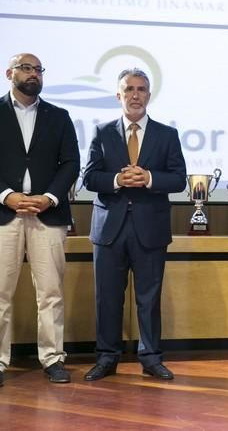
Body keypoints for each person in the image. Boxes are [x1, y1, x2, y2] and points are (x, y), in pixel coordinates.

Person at [83, 68, 186, 381]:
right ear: (119, 95)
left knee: (149, 299)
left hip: (150, 229)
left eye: (141, 89)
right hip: (109, 229)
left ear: (149, 96)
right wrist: (116, 179)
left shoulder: (167, 135)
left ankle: (151, 357)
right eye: (129, 89)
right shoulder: (102, 132)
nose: (135, 95)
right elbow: (89, 177)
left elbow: (179, 179)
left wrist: (149, 178)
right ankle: (107, 358)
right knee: (107, 298)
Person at [0, 53, 80, 386]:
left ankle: (52, 358)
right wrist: (7, 195)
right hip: (5, 214)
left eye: (38, 70)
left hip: (48, 215)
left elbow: (70, 163)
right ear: (10, 73)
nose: (33, 74)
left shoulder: (59, 116)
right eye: (26, 68)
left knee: (50, 292)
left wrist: (48, 198)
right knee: (0, 294)